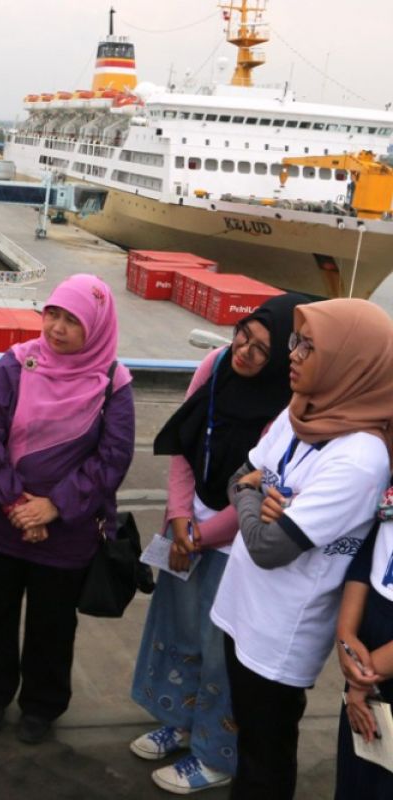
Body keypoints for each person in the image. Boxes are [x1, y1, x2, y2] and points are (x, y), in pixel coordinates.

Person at [210, 298, 393, 800]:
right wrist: (255, 495)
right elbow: (236, 476)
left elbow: (271, 546)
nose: (293, 355)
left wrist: (252, 490)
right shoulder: (302, 410)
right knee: (248, 738)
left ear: (350, 362)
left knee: (265, 757)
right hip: (243, 606)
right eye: (297, 341)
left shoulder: (360, 457)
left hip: (280, 630)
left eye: (309, 346)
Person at [131, 293, 307, 794]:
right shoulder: (213, 364)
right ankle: (180, 722)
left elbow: (261, 481)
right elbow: (185, 443)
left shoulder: (287, 403)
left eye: (259, 349)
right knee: (179, 628)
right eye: (241, 336)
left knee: (220, 650)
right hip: (189, 530)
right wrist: (180, 516)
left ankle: (213, 752)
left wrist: (203, 536)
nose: (243, 352)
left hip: (237, 545)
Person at [0, 273, 135, 745]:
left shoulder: (113, 382)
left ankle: (41, 705)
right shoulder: (16, 364)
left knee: (53, 623)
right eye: (53, 314)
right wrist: (16, 503)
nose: (57, 328)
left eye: (72, 320)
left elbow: (112, 457)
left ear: (96, 327)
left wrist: (54, 507)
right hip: (1, 515)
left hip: (66, 528)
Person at [333, 496, 393, 800]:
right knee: (358, 773)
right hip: (367, 642)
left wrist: (363, 678)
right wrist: (346, 634)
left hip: (378, 664)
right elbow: (367, 553)